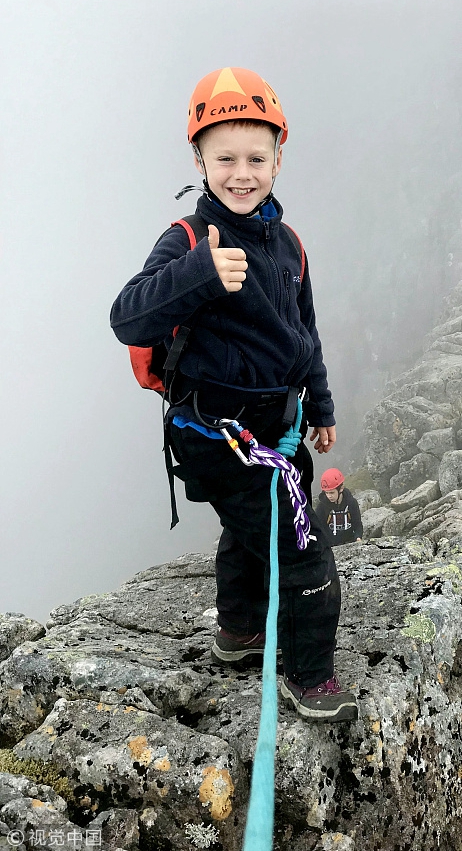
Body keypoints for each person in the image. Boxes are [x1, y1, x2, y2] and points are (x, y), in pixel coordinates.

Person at [110, 67, 358, 724]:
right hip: (215, 435)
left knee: (251, 523)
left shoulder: (290, 248)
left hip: (274, 426)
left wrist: (322, 405)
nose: (241, 174)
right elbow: (127, 317)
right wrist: (198, 274)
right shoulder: (190, 241)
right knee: (301, 548)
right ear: (199, 160)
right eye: (224, 159)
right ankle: (312, 679)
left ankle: (241, 630)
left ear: (279, 158)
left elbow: (302, 335)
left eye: (256, 157)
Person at [316, 469, 363, 547]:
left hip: (350, 544)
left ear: (341, 488)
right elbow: (319, 528)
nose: (329, 496)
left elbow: (357, 524)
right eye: (326, 492)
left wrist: (358, 537)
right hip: (330, 546)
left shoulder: (351, 503)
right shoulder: (322, 506)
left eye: (332, 492)